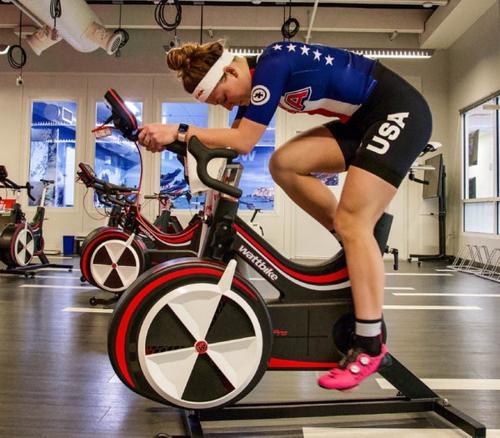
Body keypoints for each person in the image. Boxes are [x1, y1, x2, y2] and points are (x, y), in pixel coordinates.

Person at [138, 40, 432, 391]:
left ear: (230, 71)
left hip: (398, 111)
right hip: (362, 120)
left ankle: (369, 345)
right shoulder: (255, 78)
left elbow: (243, 140)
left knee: (354, 221)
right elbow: (230, 143)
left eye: (224, 97)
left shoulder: (272, 66)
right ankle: (355, 239)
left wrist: (179, 131)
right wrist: (179, 144)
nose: (228, 106)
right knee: (284, 164)